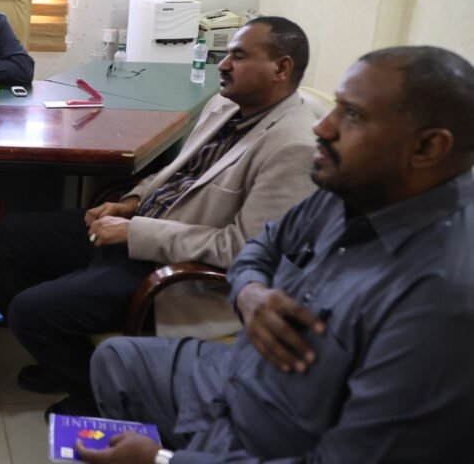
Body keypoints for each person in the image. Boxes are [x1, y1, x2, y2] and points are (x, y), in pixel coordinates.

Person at [84, 46, 474, 463]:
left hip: (284, 433)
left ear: (427, 147)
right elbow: (261, 246)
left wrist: (163, 461)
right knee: (117, 361)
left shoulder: (441, 299)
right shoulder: (354, 188)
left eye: (353, 115)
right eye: (336, 106)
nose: (323, 126)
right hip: (241, 374)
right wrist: (250, 292)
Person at [0, 17, 319, 417]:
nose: (222, 65)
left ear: (281, 68)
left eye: (238, 56)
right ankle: (61, 361)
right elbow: (176, 173)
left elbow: (242, 249)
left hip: (169, 267)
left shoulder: (294, 147)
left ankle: (98, 398)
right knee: (14, 235)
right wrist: (131, 202)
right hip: (138, 230)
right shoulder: (226, 104)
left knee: (28, 312)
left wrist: (135, 232)